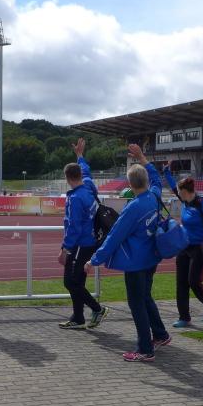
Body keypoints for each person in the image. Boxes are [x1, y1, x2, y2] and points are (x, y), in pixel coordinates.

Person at [85, 144, 170, 362]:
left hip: (136, 263)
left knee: (137, 304)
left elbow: (114, 237)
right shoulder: (154, 196)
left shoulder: (133, 207)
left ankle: (145, 349)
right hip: (151, 258)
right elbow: (156, 179)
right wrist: (142, 157)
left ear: (130, 185)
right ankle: (160, 334)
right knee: (146, 297)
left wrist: (94, 260)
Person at [58, 138, 111, 329]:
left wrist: (65, 250)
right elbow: (86, 171)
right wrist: (80, 156)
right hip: (90, 242)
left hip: (80, 244)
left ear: (67, 178)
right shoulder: (87, 185)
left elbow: (74, 227)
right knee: (77, 281)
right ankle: (78, 318)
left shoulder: (75, 198)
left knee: (70, 282)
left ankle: (97, 309)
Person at [162, 168, 203, 328]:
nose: (178, 194)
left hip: (200, 248)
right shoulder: (185, 200)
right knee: (181, 283)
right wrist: (167, 172)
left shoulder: (202, 203)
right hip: (184, 247)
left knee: (194, 281)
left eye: (180, 192)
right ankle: (184, 317)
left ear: (186, 191)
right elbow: (174, 187)